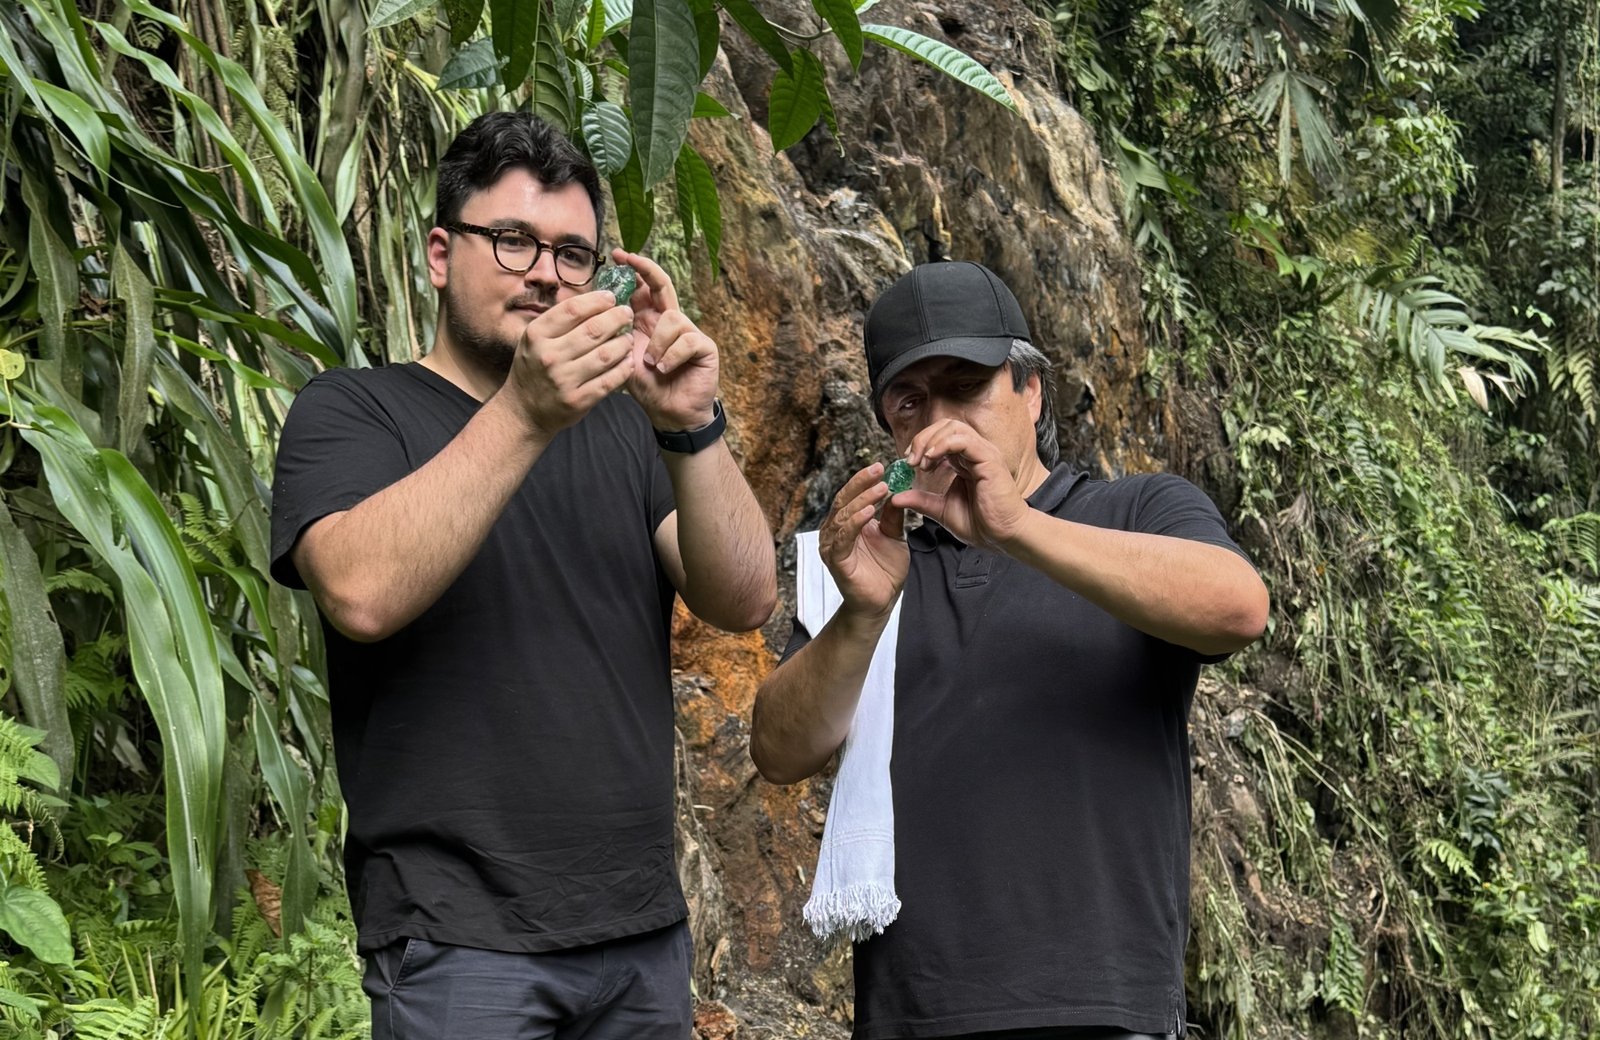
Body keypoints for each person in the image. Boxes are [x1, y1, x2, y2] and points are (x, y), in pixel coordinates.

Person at [270, 111, 776, 1040]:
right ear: (437, 254)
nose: (546, 273)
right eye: (512, 242)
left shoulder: (627, 431)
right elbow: (359, 593)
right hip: (456, 941)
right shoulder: (352, 411)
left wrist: (690, 423)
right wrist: (527, 413)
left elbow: (742, 597)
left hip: (641, 939)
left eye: (573, 254)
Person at [750, 261, 1269, 1039]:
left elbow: (1237, 606)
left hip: (1100, 1009)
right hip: (913, 1016)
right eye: (910, 401)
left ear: (1031, 391)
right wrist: (859, 615)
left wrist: (1016, 528)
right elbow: (779, 750)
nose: (940, 420)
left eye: (967, 386)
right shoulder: (873, 566)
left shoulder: (1134, 510)